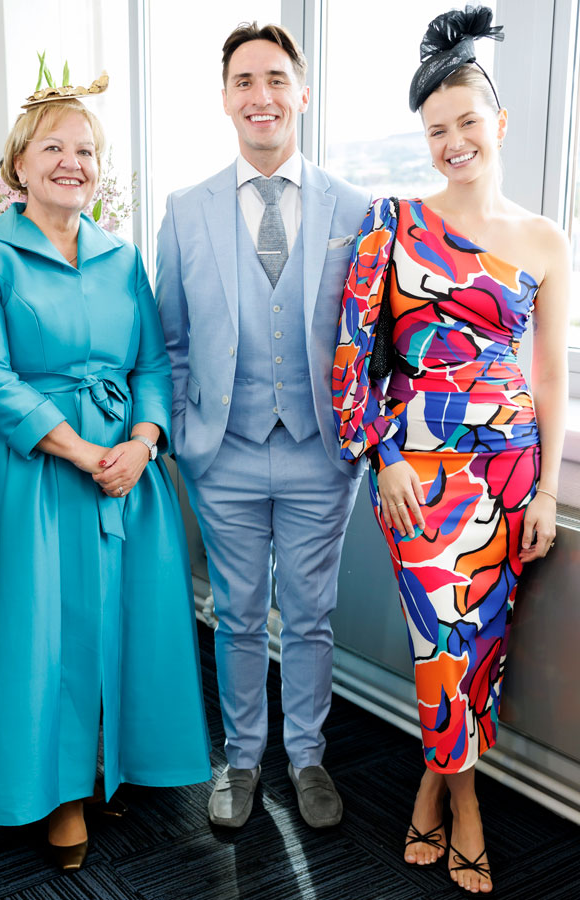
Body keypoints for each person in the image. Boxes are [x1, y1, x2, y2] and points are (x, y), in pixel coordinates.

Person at [0, 90, 211, 872]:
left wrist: (142, 444)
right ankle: (57, 788)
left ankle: (112, 759)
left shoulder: (122, 257)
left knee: (120, 619)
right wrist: (81, 451)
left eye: (86, 150)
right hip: (27, 466)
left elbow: (153, 364)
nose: (73, 162)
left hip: (125, 468)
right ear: (18, 166)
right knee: (41, 626)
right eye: (54, 148)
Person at [333, 6, 568, 893]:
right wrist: (384, 456)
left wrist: (546, 491)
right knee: (443, 645)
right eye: (436, 130)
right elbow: (353, 355)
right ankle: (468, 807)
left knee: (480, 645)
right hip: (418, 475)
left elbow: (551, 377)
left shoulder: (546, 239)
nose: (453, 142)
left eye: (467, 122)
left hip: (508, 470)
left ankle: (433, 786)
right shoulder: (391, 221)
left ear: (499, 122)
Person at [156, 22, 370, 830]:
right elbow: (170, 338)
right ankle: (241, 759)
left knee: (312, 616)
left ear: (302, 94)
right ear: (225, 98)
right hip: (224, 453)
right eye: (244, 80)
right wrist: (188, 437)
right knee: (238, 615)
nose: (261, 95)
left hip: (322, 454)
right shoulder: (186, 210)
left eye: (276, 78)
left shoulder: (358, 208)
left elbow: (372, 337)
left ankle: (308, 756)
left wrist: (356, 440)